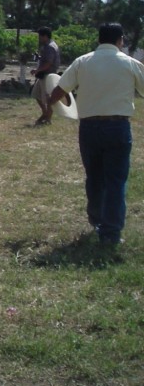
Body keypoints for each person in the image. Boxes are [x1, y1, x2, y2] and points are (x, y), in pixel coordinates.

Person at [47, 23, 144, 247]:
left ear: (99, 39)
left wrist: (50, 105)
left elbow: (60, 89)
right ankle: (110, 232)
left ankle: (96, 218)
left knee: (94, 176)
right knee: (115, 180)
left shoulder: (83, 61)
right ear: (120, 40)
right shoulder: (130, 63)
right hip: (117, 127)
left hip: (89, 128)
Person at [31, 26, 61, 126]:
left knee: (47, 98)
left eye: (40, 36)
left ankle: (48, 117)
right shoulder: (48, 46)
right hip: (43, 74)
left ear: (45, 36)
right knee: (36, 94)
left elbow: (48, 63)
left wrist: (37, 70)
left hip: (48, 75)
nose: (39, 38)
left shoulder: (50, 47)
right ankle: (45, 113)